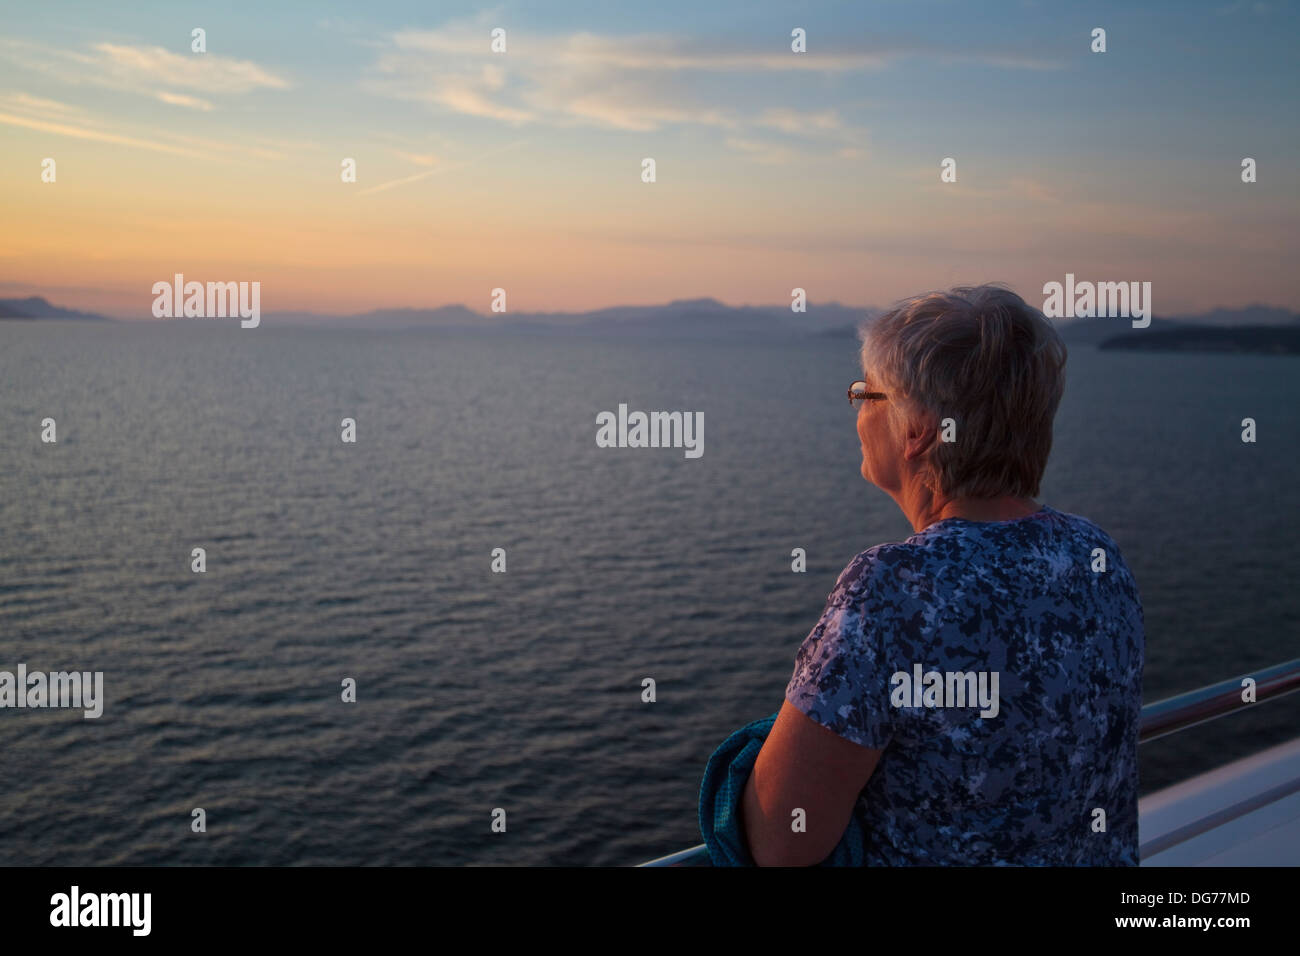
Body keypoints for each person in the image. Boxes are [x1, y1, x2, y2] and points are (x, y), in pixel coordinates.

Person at [739, 284, 1144, 865]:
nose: (857, 411)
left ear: (918, 429)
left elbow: (780, 842)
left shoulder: (894, 591)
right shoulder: (1097, 557)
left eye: (866, 394)